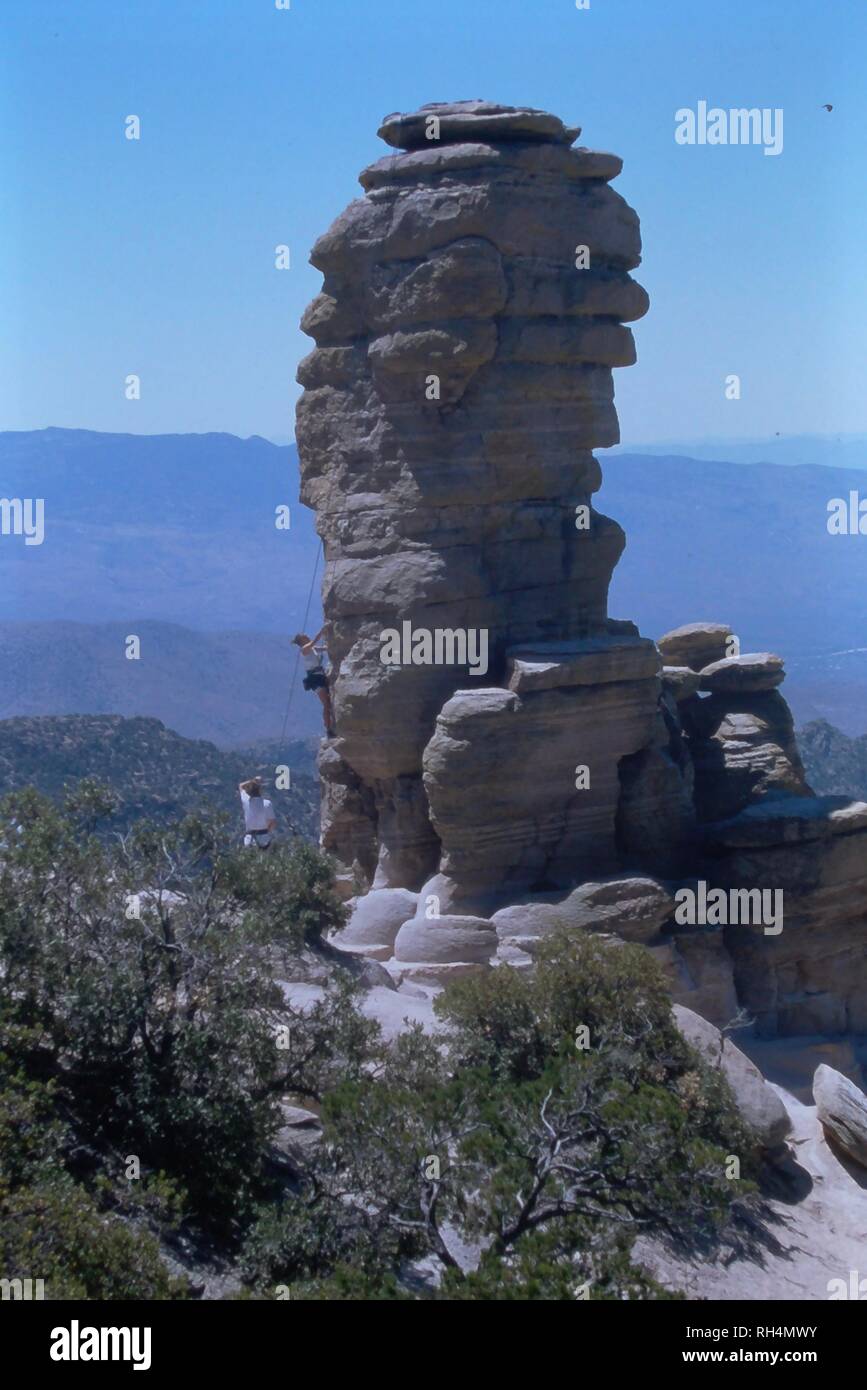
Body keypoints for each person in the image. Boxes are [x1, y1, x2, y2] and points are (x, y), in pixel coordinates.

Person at [292, 627, 334, 735]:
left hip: (320, 676)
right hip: (315, 678)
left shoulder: (312, 648)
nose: (307, 636)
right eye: (304, 636)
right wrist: (322, 631)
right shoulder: (305, 649)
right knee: (326, 703)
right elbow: (314, 641)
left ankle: (330, 725)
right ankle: (328, 729)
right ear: (302, 640)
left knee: (328, 702)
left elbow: (324, 648)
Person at [238, 777, 277, 849]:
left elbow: (241, 786)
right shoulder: (267, 803)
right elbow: (273, 822)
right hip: (264, 838)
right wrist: (267, 831)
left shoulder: (246, 801)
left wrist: (253, 780)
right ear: (260, 790)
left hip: (249, 839)